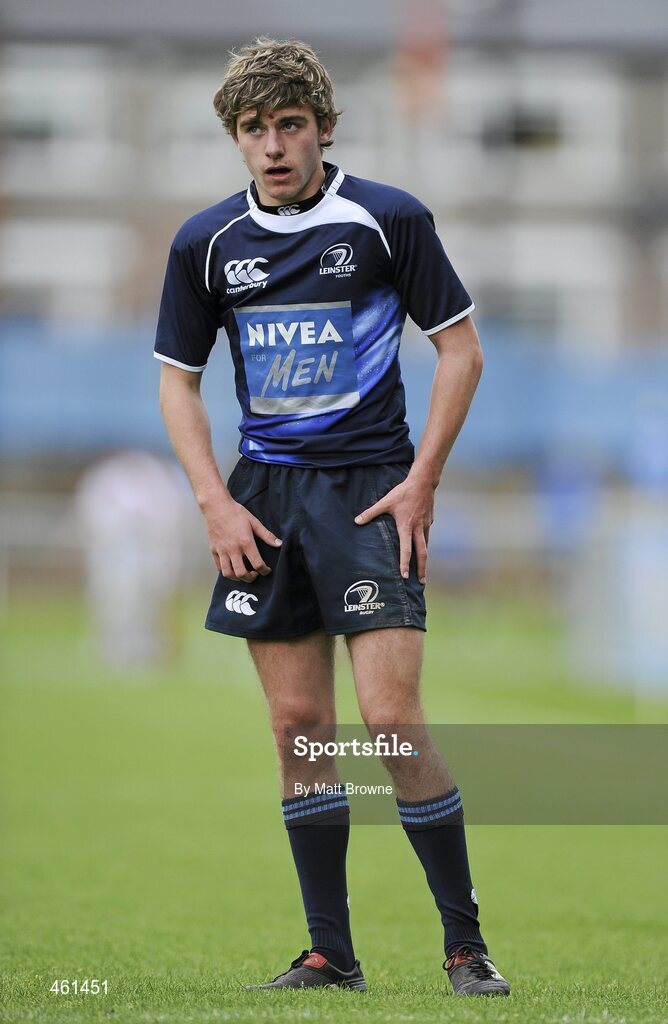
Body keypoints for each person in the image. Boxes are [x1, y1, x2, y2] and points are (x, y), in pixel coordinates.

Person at [154, 37, 510, 997]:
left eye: (289, 125)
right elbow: (177, 385)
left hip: (370, 491)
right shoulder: (206, 245)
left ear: (321, 128)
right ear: (236, 138)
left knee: (390, 722)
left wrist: (424, 478)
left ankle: (465, 948)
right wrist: (214, 501)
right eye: (254, 129)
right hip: (262, 501)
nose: (273, 145)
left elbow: (462, 352)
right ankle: (330, 954)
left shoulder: (389, 219)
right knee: (301, 728)